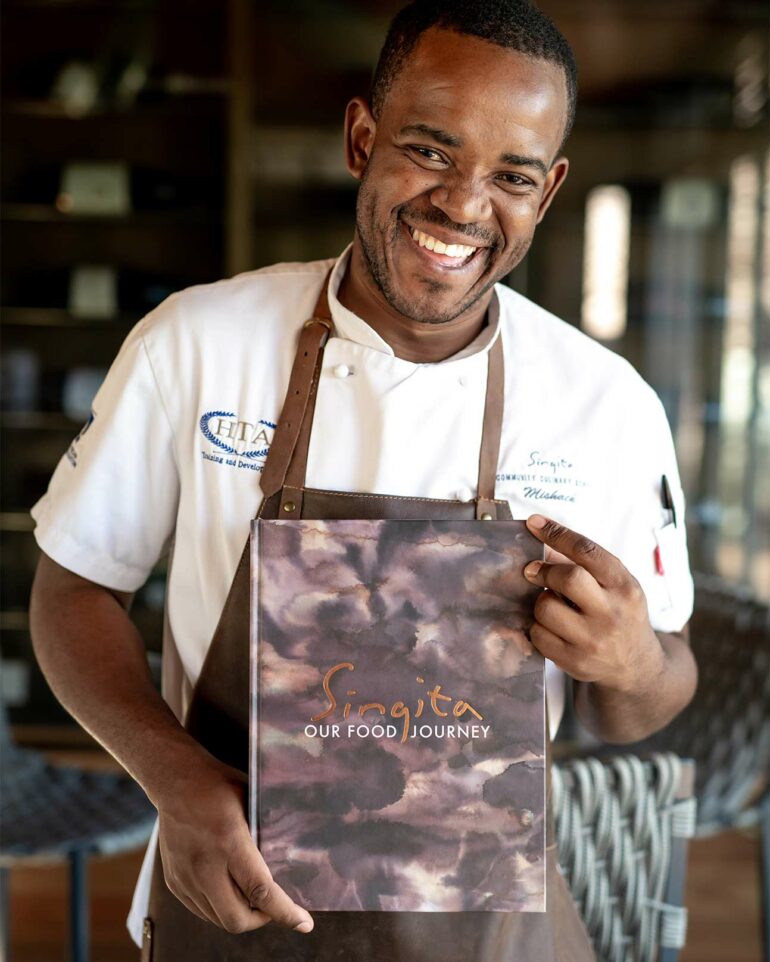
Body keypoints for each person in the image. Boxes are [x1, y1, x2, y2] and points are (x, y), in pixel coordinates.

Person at [29, 1, 697, 959]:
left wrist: (632, 664)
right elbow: (74, 589)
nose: (463, 205)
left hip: (487, 935)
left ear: (547, 192)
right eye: (429, 150)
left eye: (511, 175)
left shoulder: (605, 404)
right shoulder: (197, 343)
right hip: (234, 903)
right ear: (360, 139)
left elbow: (652, 695)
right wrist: (173, 776)